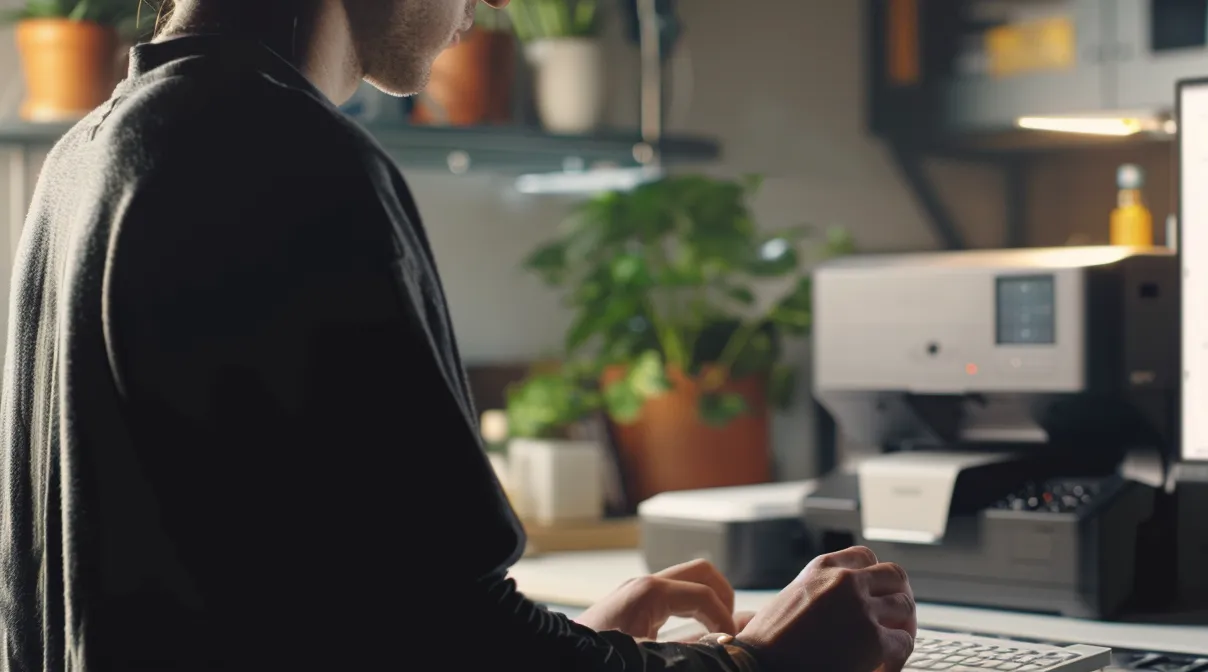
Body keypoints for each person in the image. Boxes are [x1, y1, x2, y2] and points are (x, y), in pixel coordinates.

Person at [0, 0, 916, 670]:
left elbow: (348, 616)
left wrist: (579, 643)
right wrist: (756, 661)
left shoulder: (84, 159)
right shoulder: (286, 150)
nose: (483, 5)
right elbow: (459, 648)